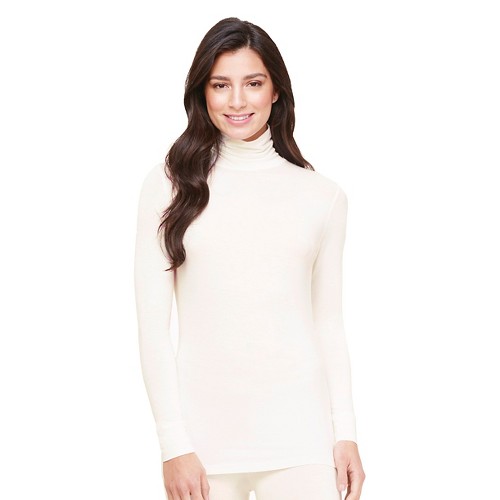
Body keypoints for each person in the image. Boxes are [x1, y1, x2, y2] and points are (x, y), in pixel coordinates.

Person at [134, 17, 365, 500]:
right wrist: (173, 444)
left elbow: (328, 323)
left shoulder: (322, 196)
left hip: (303, 440)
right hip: (203, 445)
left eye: (253, 83)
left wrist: (345, 433)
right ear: (202, 92)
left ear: (276, 90)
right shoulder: (170, 185)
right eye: (221, 85)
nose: (237, 101)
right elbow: (153, 327)